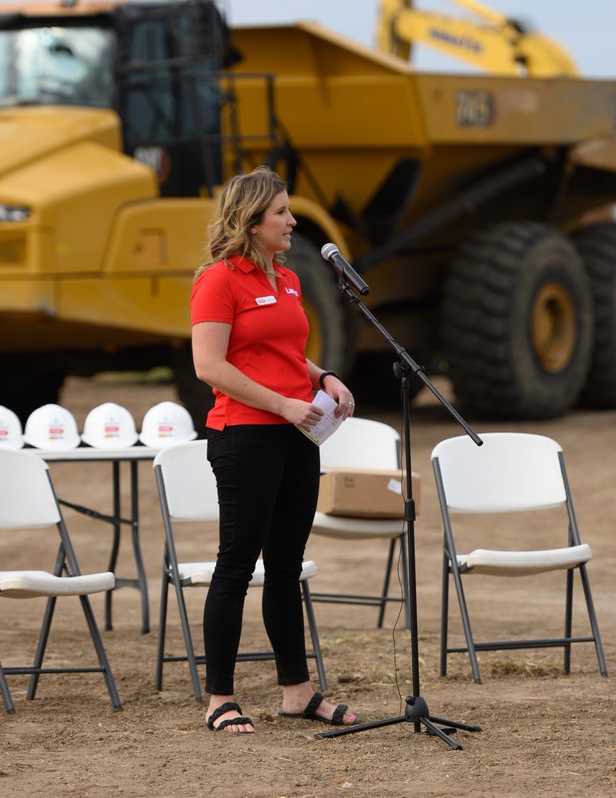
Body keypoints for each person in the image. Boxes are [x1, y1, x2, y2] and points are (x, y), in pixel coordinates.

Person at [189, 166, 360, 733]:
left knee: (286, 567)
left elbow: (285, 352)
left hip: (297, 435)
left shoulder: (287, 278)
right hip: (244, 435)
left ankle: (297, 693)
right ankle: (220, 698)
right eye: (282, 212)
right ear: (251, 220)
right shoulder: (218, 280)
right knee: (236, 566)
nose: (292, 221)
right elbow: (210, 365)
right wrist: (283, 404)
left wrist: (323, 377)